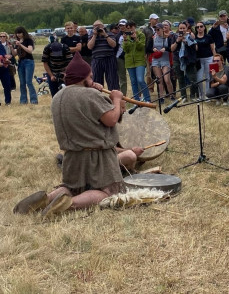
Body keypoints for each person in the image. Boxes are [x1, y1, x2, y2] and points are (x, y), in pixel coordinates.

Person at [13, 53, 143, 218]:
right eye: (90, 77)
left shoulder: (58, 97)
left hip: (72, 157)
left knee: (72, 188)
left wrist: (93, 90)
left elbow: (86, 112)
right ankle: (67, 205)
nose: (93, 80)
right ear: (83, 78)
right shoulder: (90, 95)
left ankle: (48, 199)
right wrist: (116, 100)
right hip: (98, 157)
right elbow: (111, 119)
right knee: (109, 192)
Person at [87, 20, 119, 92]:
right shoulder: (91, 35)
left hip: (109, 59)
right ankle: (97, 96)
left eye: (99, 26)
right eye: (95, 26)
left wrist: (105, 35)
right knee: (96, 81)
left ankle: (114, 96)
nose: (97, 27)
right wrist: (94, 35)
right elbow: (89, 47)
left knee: (112, 80)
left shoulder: (110, 34)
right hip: (97, 59)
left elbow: (113, 45)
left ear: (103, 26)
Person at [122, 21, 150, 103]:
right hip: (129, 62)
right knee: (133, 82)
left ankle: (147, 99)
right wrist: (125, 40)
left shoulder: (141, 35)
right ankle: (136, 100)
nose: (130, 30)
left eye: (131, 27)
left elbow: (141, 47)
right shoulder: (126, 37)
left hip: (139, 61)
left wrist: (136, 39)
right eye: (128, 28)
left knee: (140, 80)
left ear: (135, 27)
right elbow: (125, 50)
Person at [191, 21, 217, 99]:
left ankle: (207, 95)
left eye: (201, 26)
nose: (199, 28)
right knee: (199, 78)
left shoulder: (208, 36)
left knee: (208, 77)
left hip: (208, 58)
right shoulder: (194, 37)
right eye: (197, 27)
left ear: (204, 27)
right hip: (198, 60)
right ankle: (201, 95)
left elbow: (213, 49)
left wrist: (215, 58)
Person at [150, 21, 174, 103]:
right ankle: (161, 97)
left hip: (165, 60)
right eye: (155, 30)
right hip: (156, 60)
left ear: (162, 29)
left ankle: (171, 95)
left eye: (158, 29)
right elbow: (148, 48)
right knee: (159, 80)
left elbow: (171, 48)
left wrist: (166, 49)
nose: (157, 31)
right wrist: (152, 49)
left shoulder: (168, 38)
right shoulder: (153, 38)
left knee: (167, 79)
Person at [13, 26, 38, 104]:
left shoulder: (28, 40)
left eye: (20, 33)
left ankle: (33, 100)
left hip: (28, 61)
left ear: (23, 33)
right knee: (22, 82)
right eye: (17, 33)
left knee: (28, 81)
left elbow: (30, 50)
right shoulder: (17, 41)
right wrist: (11, 47)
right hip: (20, 62)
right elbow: (14, 53)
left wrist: (20, 45)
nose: (18, 35)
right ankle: (23, 100)